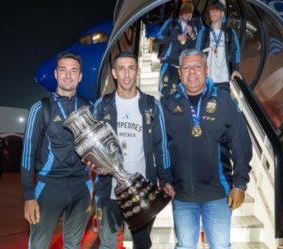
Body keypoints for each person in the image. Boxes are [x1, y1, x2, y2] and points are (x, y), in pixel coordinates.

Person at [161, 49, 252, 248]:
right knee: (185, 246)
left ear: (206, 70)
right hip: (182, 195)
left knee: (220, 246)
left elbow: (241, 143)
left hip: (218, 195)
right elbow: (160, 148)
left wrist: (240, 184)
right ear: (180, 73)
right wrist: (165, 179)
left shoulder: (224, 101)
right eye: (186, 67)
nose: (192, 72)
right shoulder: (167, 104)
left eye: (197, 67)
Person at [91, 52, 175, 249]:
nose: (126, 74)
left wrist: (166, 179)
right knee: (107, 245)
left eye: (131, 68)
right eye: (121, 69)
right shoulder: (102, 106)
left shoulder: (151, 105)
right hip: (108, 191)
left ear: (137, 71)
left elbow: (161, 146)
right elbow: (94, 147)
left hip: (141, 192)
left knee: (142, 245)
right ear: (114, 73)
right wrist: (94, 167)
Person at [21, 51, 91, 249]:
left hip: (82, 186)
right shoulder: (40, 108)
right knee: (39, 245)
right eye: (63, 70)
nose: (68, 75)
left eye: (73, 70)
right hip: (49, 187)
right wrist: (28, 196)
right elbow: (27, 155)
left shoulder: (88, 108)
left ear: (80, 76)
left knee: (73, 245)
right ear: (55, 74)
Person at [195, 2, 242, 93]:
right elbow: (197, 53)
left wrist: (236, 69)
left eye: (216, 11)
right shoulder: (203, 32)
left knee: (222, 105)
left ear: (222, 13)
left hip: (224, 79)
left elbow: (236, 52)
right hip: (206, 79)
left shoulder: (230, 33)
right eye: (211, 11)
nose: (212, 13)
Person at [157, 2, 198, 98]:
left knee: (181, 95)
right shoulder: (171, 22)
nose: (187, 14)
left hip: (184, 65)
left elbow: (197, 46)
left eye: (190, 12)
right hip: (169, 62)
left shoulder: (192, 26)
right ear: (181, 12)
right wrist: (176, 37)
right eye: (185, 11)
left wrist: (192, 34)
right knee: (165, 92)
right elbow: (158, 39)